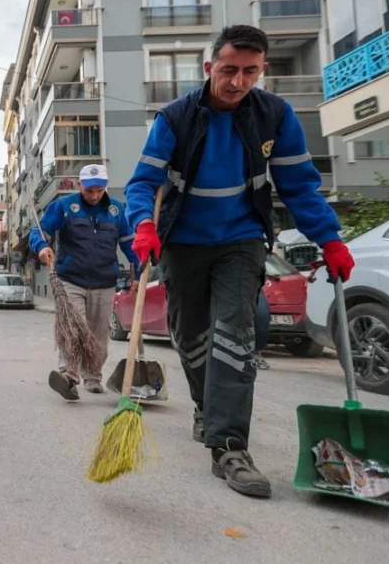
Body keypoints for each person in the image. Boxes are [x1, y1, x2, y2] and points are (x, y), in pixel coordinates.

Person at [125, 25, 355, 498]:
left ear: (262, 70)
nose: (237, 81)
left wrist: (329, 239)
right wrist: (143, 227)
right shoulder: (175, 118)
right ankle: (205, 407)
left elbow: (298, 185)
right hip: (183, 240)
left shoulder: (275, 115)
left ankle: (229, 447)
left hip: (242, 237)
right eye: (229, 70)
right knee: (188, 335)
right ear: (209, 68)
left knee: (235, 332)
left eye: (250, 71)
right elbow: (142, 183)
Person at [29, 164, 140, 401]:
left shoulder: (116, 210)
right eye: (89, 190)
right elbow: (38, 232)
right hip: (71, 279)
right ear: (80, 185)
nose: (94, 195)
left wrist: (137, 275)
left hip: (104, 281)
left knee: (99, 332)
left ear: (105, 187)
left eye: (99, 190)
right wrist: (42, 247)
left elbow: (131, 246)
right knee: (73, 326)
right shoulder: (64, 206)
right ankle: (69, 377)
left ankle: (93, 376)